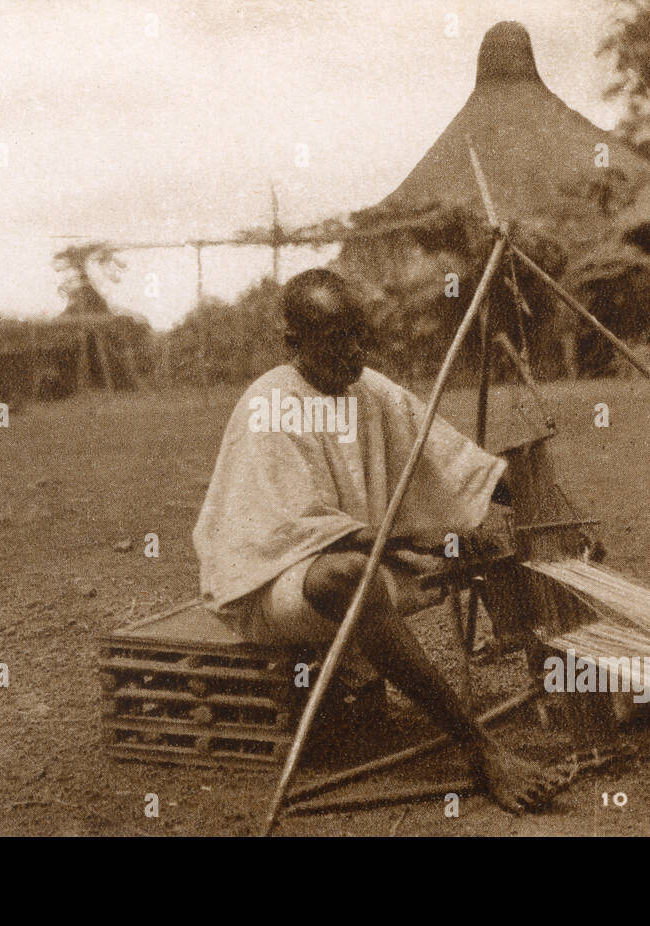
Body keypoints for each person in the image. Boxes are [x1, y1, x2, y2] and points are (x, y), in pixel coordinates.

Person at [194, 267, 566, 812]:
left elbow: (458, 465)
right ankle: (479, 748)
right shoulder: (267, 405)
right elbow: (295, 532)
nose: (354, 352)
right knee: (350, 577)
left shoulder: (369, 388)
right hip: (274, 584)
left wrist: (534, 492)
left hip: (369, 557)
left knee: (483, 538)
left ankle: (571, 686)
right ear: (293, 343)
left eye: (359, 335)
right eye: (335, 339)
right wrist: (410, 539)